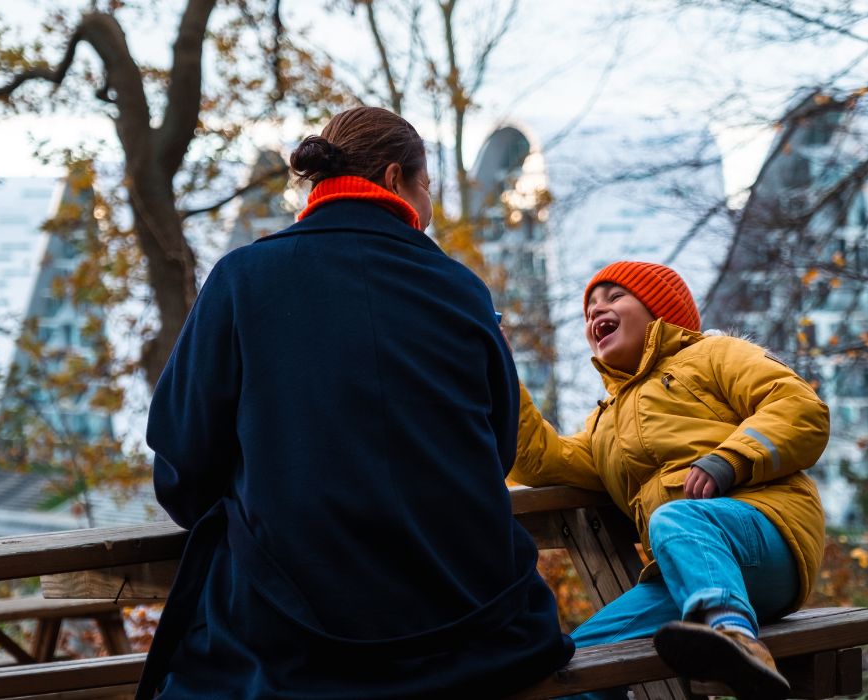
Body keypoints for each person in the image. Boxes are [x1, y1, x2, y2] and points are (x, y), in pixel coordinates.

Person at [137, 106, 572, 699]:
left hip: (289, 640)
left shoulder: (243, 278)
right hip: (473, 630)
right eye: (428, 188)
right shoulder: (462, 290)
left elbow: (182, 463)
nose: (431, 207)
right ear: (396, 179)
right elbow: (494, 452)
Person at [511, 261, 829, 700]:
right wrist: (497, 369)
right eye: (589, 311)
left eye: (614, 296)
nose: (596, 312)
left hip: (768, 537)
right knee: (570, 667)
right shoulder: (605, 425)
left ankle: (735, 637)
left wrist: (730, 458)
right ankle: (723, 631)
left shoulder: (714, 355)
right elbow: (540, 461)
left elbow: (800, 408)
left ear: (659, 307)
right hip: (686, 577)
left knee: (675, 519)